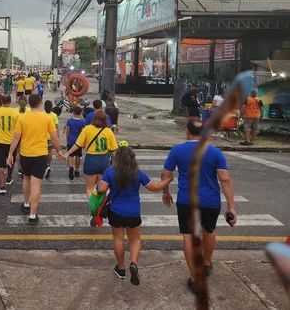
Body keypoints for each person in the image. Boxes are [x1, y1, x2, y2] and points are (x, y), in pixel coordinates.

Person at [160, 120, 237, 292]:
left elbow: (165, 173)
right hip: (210, 201)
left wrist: (165, 191)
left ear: (187, 130)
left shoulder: (178, 150)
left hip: (186, 200)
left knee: (188, 237)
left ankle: (194, 279)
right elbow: (225, 180)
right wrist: (231, 207)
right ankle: (207, 263)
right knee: (208, 231)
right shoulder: (215, 152)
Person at [98, 143, 173, 285]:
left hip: (115, 211)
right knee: (135, 240)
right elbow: (155, 187)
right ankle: (133, 263)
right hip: (133, 212)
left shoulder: (110, 171)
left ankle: (120, 268)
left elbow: (101, 189)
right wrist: (169, 179)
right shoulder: (138, 174)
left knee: (118, 239)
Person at [8, 94, 61, 225]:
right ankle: (32, 215)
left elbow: (16, 138)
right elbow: (54, 137)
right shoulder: (47, 118)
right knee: (36, 184)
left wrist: (10, 154)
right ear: (40, 103)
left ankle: (26, 204)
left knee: (26, 178)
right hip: (41, 154)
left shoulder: (22, 118)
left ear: (29, 104)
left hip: (25, 153)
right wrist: (58, 150)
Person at [64, 110, 118, 200]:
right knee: (100, 188)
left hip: (91, 160)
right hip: (104, 160)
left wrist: (67, 154)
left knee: (90, 188)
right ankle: (99, 209)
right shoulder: (108, 131)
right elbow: (114, 150)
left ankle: (93, 208)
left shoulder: (87, 129)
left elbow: (78, 144)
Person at [0, 94, 20, 194]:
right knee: (11, 160)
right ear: (10, 101)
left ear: (2, 102)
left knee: (0, 163)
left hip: (0, 141)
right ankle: (9, 177)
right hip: (12, 142)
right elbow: (19, 129)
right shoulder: (15, 113)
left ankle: (2, 186)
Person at [66, 106, 86, 180]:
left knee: (70, 155)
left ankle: (71, 166)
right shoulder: (82, 122)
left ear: (73, 112)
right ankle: (77, 170)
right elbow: (82, 133)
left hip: (71, 139)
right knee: (78, 155)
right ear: (81, 113)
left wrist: (67, 139)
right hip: (78, 141)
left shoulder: (69, 121)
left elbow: (68, 132)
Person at [44, 100, 60, 179]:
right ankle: (48, 165)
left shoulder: (42, 115)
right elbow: (56, 127)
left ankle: (43, 166)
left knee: (43, 151)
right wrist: (57, 137)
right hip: (51, 136)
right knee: (50, 151)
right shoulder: (54, 115)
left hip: (42, 136)